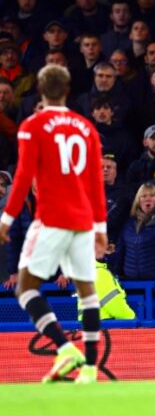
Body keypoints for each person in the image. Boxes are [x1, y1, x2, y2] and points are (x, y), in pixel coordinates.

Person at [0, 64, 107, 384]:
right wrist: (101, 228)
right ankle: (89, 367)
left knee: (25, 288)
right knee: (87, 292)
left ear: (41, 91)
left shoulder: (32, 125)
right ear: (68, 89)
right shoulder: (86, 127)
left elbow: (21, 178)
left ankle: (64, 347)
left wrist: (6, 218)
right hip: (83, 221)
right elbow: (95, 182)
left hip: (50, 220)